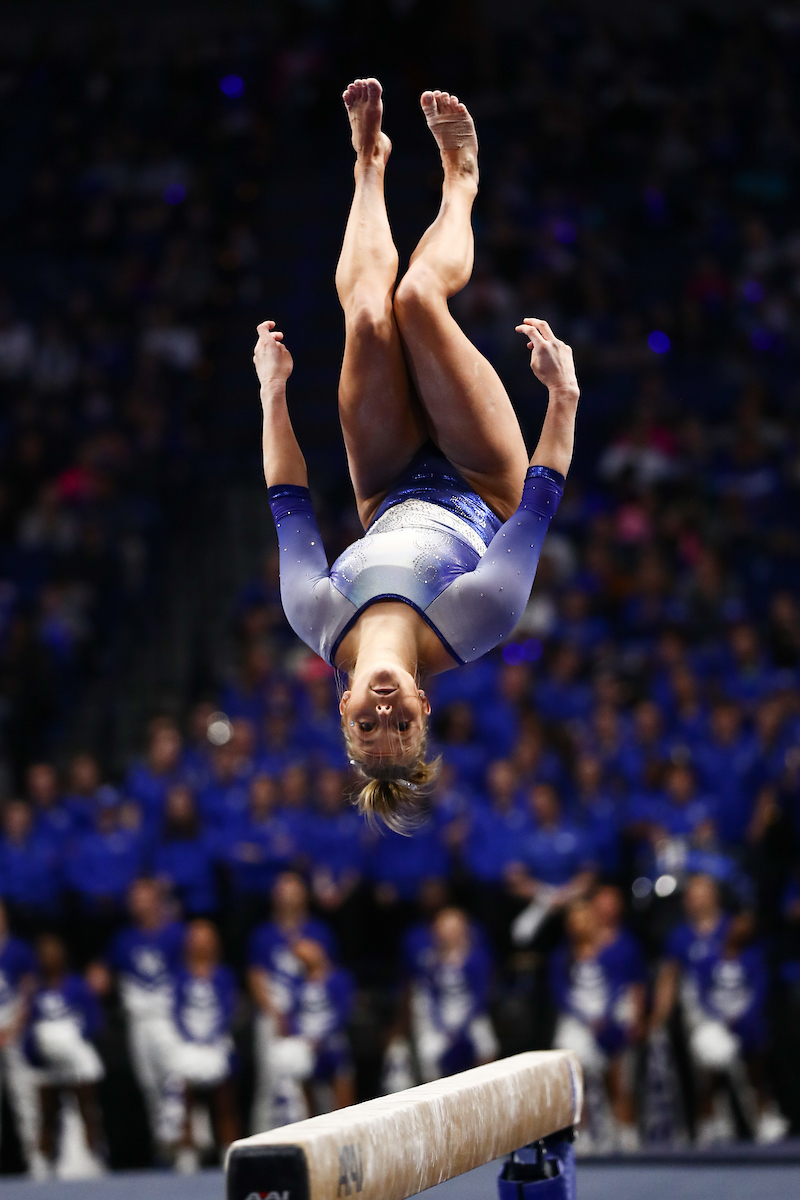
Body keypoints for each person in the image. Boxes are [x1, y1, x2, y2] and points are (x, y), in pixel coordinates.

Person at [253, 79, 579, 829]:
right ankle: (459, 181)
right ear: (427, 708)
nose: (386, 717)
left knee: (369, 318)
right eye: (404, 729)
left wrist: (274, 394)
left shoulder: (316, 614)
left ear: (344, 710)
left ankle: (368, 161)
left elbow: (288, 500)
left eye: (368, 730)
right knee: (417, 303)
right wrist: (563, 399)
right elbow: (537, 505)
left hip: (388, 485)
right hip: (484, 479)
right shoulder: (479, 619)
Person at [650, 875, 786, 1144]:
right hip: (703, 1012)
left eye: (703, 893)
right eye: (692, 894)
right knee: (710, 1059)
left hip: (742, 1005)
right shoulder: (680, 936)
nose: (696, 899)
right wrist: (659, 1017)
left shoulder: (736, 926)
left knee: (753, 1064)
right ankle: (711, 1122)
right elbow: (669, 977)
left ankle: (763, 1116)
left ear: (715, 895)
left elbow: (753, 967)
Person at [550, 898, 645, 1152]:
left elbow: (620, 984)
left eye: (585, 920)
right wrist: (585, 1018)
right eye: (574, 922)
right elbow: (561, 992)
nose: (579, 926)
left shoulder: (614, 949)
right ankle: (582, 1131)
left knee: (618, 1075)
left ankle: (625, 1131)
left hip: (609, 1015)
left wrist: (607, 1016)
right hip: (580, 1020)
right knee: (572, 1071)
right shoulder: (563, 956)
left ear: (594, 922)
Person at [247, 873, 337, 1131]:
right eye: (282, 891)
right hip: (273, 1015)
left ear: (304, 895)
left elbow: (329, 974)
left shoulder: (318, 932)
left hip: (311, 1014)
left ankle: (322, 1134)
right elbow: (255, 976)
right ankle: (263, 1136)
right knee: (270, 1079)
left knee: (317, 1078)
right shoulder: (263, 935)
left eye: (293, 891)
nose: (288, 897)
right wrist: (275, 1012)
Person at [107, 879, 185, 1161]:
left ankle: (182, 1142)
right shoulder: (124, 939)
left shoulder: (176, 933)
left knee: (174, 1077)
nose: (136, 902)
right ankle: (162, 1144)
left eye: (142, 896)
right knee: (148, 1082)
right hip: (138, 1020)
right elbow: (109, 973)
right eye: (133, 897)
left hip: (167, 1016)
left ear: (156, 898)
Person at [25, 934, 106, 1178]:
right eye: (44, 954)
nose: (50, 958)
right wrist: (38, 1053)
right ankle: (42, 1161)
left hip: (77, 1058)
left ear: (63, 956)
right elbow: (31, 1027)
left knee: (87, 1110)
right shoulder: (36, 991)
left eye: (54, 953)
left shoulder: (78, 986)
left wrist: (70, 1039)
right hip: (49, 1063)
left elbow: (94, 1021)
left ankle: (94, 1156)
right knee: (47, 1114)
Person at [168, 920, 239, 1171]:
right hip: (189, 1040)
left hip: (216, 1039)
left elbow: (229, 1008)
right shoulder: (180, 976)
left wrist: (211, 1036)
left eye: (206, 938)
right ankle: (186, 1150)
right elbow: (176, 1010)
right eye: (196, 938)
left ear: (214, 943)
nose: (201, 943)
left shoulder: (224, 975)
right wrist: (191, 1037)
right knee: (183, 1094)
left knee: (224, 1098)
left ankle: (227, 1149)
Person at [406, 907, 498, 1083]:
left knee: (486, 1044)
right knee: (429, 1051)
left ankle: (488, 1087)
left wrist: (462, 1026)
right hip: (442, 1016)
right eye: (444, 930)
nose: (448, 935)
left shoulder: (477, 957)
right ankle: (434, 1097)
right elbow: (429, 997)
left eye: (453, 930)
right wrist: (440, 1024)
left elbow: (481, 995)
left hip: (471, 1014)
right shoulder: (430, 960)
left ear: (463, 930)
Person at [290, 938, 356, 1114]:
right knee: (309, 1102)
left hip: (333, 1044)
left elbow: (343, 1012)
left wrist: (322, 1036)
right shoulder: (298, 984)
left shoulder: (338, 978)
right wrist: (301, 1037)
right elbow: (294, 1015)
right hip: (308, 1047)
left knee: (343, 1102)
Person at [0, 900, 41, 1176]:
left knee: (24, 1095)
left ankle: (36, 1155)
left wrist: (15, 1027)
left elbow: (30, 988)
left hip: (14, 1027)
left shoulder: (18, 949)